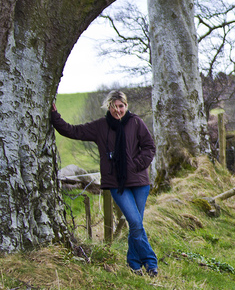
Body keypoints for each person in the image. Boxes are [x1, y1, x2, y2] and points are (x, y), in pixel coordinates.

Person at [51, 90, 158, 276]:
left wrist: (136, 164)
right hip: (117, 183)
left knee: (135, 224)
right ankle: (150, 262)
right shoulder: (100, 126)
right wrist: (55, 116)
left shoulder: (136, 123)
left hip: (140, 182)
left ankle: (133, 264)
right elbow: (72, 131)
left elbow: (149, 147)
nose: (118, 110)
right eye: (114, 106)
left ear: (126, 106)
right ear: (108, 107)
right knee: (135, 222)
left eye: (121, 106)